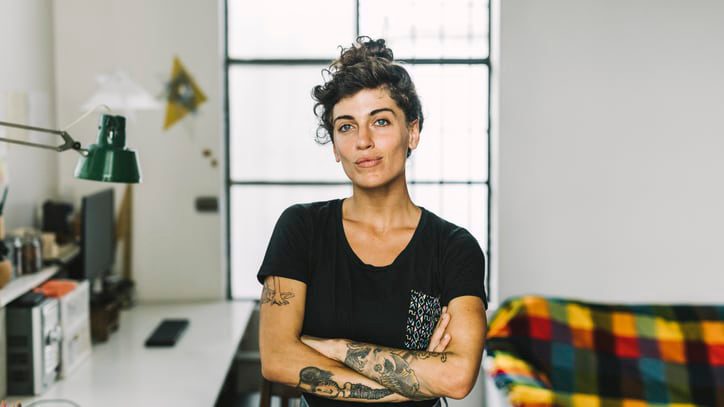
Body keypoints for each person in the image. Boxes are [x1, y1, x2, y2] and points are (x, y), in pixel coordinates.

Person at [257, 37, 488, 407]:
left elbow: (458, 377)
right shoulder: (301, 228)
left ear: (412, 132)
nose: (363, 141)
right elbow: (277, 359)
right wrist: (411, 383)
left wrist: (336, 348)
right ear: (334, 145)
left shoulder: (454, 248)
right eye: (346, 127)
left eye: (380, 121)